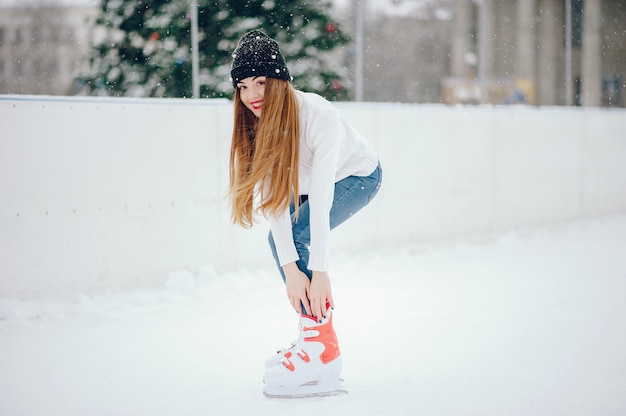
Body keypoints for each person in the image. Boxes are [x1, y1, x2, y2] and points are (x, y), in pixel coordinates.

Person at [228, 29, 382, 398]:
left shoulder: (317, 113)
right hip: (307, 187)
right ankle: (317, 337)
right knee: (281, 243)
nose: (252, 95)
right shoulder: (257, 124)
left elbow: (324, 195)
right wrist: (291, 272)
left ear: (279, 80)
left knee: (298, 238)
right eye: (243, 86)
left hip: (357, 176)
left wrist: (321, 272)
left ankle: (321, 347)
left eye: (261, 82)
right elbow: (276, 199)